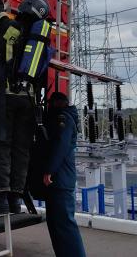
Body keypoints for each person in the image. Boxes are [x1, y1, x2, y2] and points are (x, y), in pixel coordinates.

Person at [0, 0, 51, 214]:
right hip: (29, 104)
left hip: (3, 100)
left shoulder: (9, 29)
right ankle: (15, 199)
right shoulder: (42, 43)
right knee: (21, 150)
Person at [43, 91, 86, 257]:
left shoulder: (64, 120)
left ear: (56, 104)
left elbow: (60, 146)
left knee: (65, 225)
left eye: (50, 104)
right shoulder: (64, 118)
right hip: (58, 180)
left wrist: (49, 171)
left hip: (61, 179)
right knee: (56, 225)